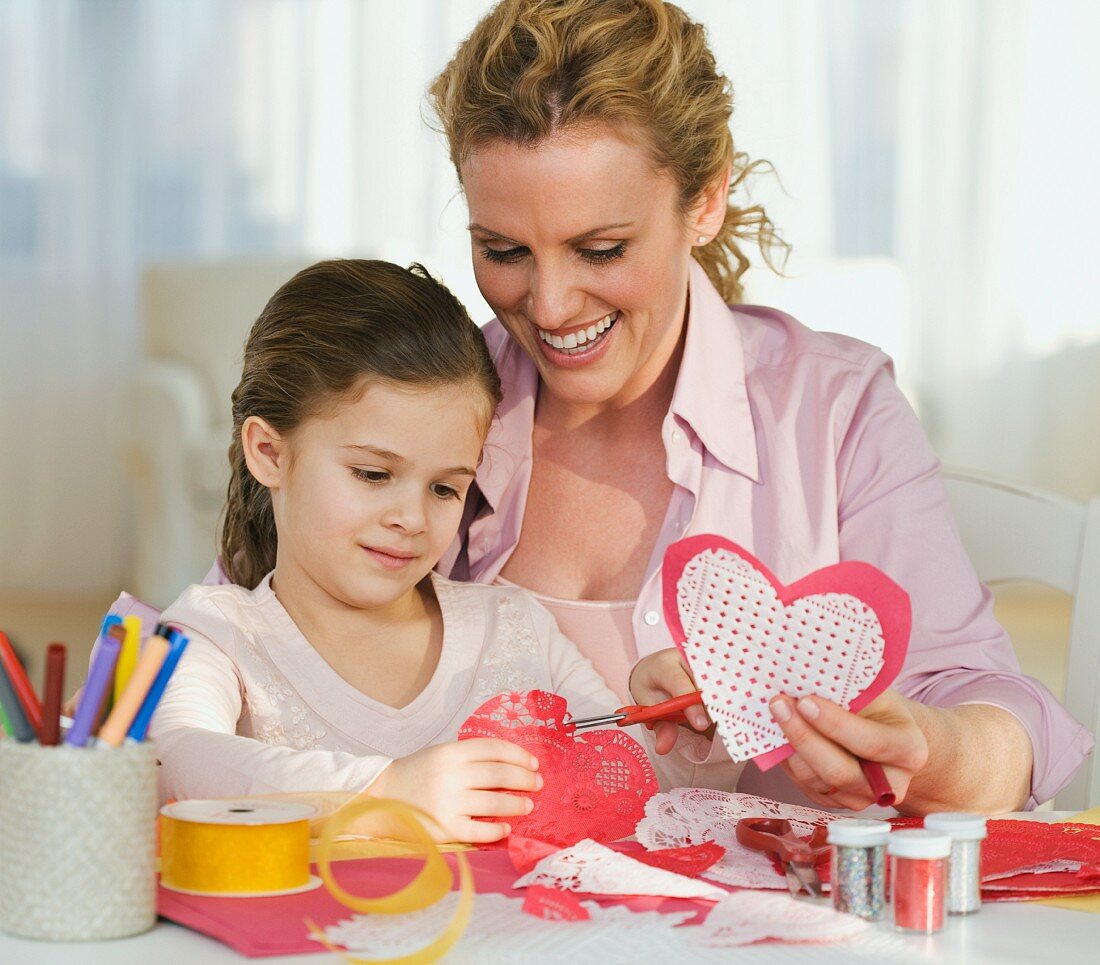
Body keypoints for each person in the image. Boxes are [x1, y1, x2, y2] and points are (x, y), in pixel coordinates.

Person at [426, 0, 1092, 814]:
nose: (552, 304)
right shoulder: (421, 402)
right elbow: (244, 637)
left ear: (705, 199)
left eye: (601, 249)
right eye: (503, 251)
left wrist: (930, 746)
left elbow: (1004, 723)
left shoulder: (835, 413)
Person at [149, 259, 659, 843]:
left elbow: (631, 780)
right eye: (372, 474)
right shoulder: (215, 634)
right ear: (270, 453)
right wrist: (390, 794)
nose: (412, 519)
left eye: (445, 488)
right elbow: (176, 758)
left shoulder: (513, 627)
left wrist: (674, 729)